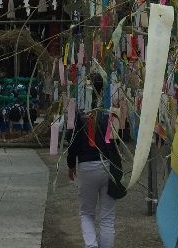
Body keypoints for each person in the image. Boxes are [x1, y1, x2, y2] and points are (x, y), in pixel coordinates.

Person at [67, 75, 120, 248]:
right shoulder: (109, 114)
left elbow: (72, 141)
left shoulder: (80, 115)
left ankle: (91, 246)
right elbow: (116, 142)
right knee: (107, 218)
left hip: (86, 166)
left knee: (87, 213)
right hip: (108, 165)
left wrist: (70, 164)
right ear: (103, 90)